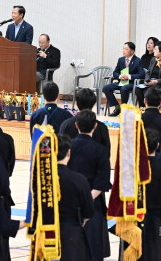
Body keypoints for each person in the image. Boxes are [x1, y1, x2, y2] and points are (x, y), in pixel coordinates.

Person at [68, 110, 112, 261]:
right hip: (93, 205)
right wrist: (87, 199)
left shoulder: (67, 147)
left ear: (76, 125)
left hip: (69, 204)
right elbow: (102, 181)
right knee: (93, 250)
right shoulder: (101, 151)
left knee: (71, 250)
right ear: (95, 126)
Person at [55, 134, 94, 261]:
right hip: (71, 233)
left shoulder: (40, 179)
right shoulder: (79, 180)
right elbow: (88, 212)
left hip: (44, 233)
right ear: (69, 152)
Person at [141, 128, 161, 261]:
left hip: (137, 219)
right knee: (156, 254)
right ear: (158, 145)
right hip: (158, 219)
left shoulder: (134, 169)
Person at [59, 88, 111, 154]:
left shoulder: (66, 124)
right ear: (94, 104)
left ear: (77, 103)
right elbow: (106, 153)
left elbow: (60, 151)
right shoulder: (102, 127)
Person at [103, 42, 144, 117]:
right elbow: (115, 72)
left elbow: (142, 74)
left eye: (126, 49)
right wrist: (119, 76)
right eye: (123, 49)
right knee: (106, 88)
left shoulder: (138, 61)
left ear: (132, 51)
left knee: (124, 88)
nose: (123, 51)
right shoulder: (121, 60)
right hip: (122, 82)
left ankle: (124, 108)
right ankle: (117, 107)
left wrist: (129, 76)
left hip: (132, 83)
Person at [134, 41, 161, 107]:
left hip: (160, 84)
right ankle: (143, 108)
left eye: (155, 49)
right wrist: (147, 80)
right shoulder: (153, 59)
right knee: (138, 89)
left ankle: (155, 108)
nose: (153, 50)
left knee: (149, 91)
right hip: (151, 83)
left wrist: (156, 81)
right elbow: (148, 72)